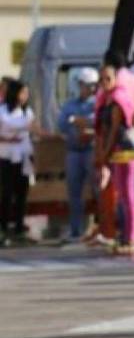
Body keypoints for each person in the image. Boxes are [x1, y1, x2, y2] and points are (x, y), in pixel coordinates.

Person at [96, 62, 134, 252]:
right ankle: (125, 235)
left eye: (109, 78)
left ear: (116, 79)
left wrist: (105, 154)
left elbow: (115, 130)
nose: (105, 82)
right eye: (102, 78)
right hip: (115, 151)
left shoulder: (117, 99)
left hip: (125, 150)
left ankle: (133, 237)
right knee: (121, 194)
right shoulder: (105, 99)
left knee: (129, 194)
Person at [0, 80, 51, 245]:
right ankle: (3, 228)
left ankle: (19, 227)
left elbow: (34, 129)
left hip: (23, 156)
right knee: (6, 193)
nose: (25, 96)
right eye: (23, 93)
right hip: (5, 156)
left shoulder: (26, 112)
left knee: (21, 192)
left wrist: (51, 135)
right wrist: (7, 138)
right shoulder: (2, 111)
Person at [57, 67, 98, 241]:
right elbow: (62, 124)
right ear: (79, 84)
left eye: (93, 85)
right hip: (74, 152)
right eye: (87, 85)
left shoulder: (97, 103)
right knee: (74, 193)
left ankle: (103, 228)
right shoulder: (70, 104)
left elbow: (97, 122)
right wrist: (78, 121)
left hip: (92, 151)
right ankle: (76, 230)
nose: (90, 89)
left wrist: (78, 121)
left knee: (99, 191)